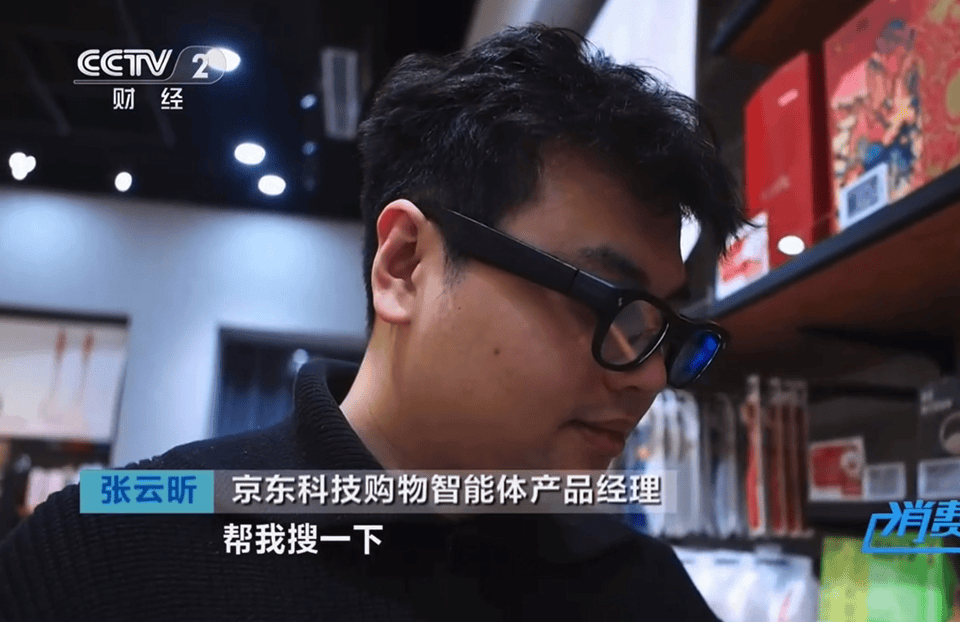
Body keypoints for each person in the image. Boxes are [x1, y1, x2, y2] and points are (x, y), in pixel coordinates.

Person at [0, 24, 745, 621]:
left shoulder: (639, 589)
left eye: (663, 331)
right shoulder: (108, 551)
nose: (651, 376)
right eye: (609, 301)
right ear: (405, 265)